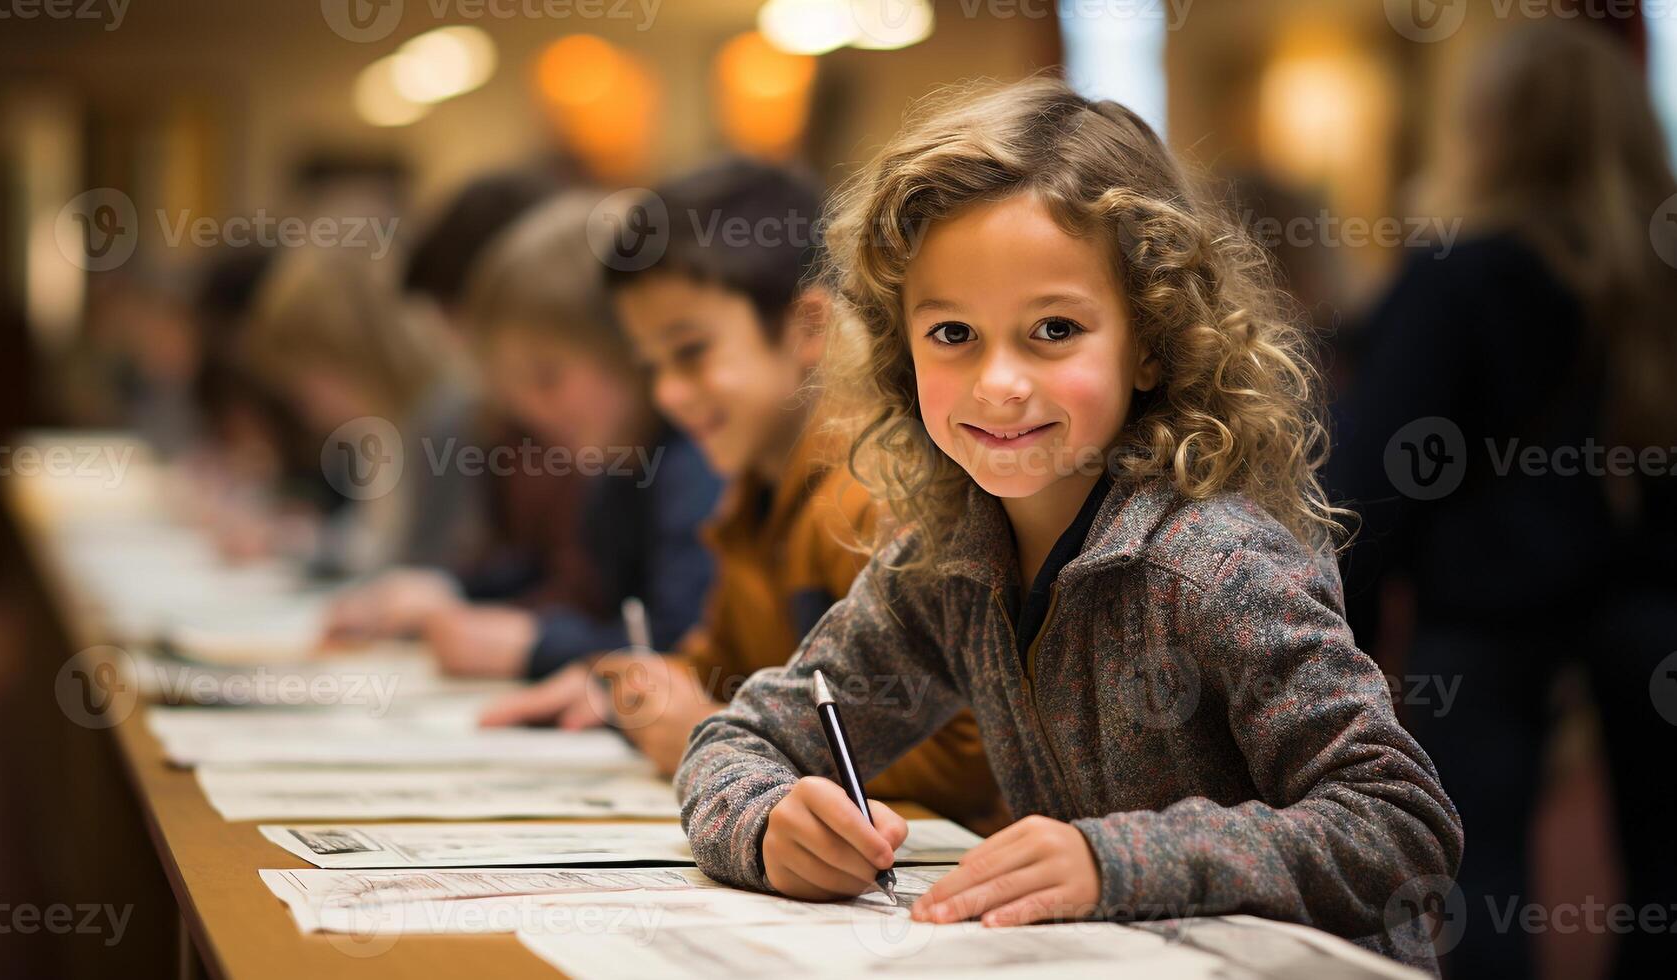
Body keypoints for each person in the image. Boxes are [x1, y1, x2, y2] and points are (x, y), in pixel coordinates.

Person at [673, 78, 1463, 971]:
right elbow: (739, 737)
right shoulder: (945, 566)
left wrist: (1113, 860)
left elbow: (1400, 825)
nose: (998, 382)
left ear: (1152, 340)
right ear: (901, 349)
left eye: (1053, 328)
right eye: (952, 334)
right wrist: (767, 823)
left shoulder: (1215, 564)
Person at [479, 159, 1004, 832]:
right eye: (651, 366)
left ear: (807, 328)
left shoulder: (867, 497)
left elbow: (968, 758)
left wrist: (710, 731)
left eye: (691, 352)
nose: (667, 393)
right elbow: (721, 665)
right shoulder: (751, 493)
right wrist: (616, 682)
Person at [1325, 24, 1677, 979]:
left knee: (1474, 880)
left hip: (1486, 622)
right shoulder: (1658, 278)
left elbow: (1383, 473)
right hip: (1652, 614)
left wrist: (1332, 627)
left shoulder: (1459, 275)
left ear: (1491, 130)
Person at [332, 191, 722, 678]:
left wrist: (534, 649)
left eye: (548, 377)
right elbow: (572, 585)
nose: (535, 412)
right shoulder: (618, 470)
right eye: (516, 390)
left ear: (630, 349)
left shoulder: (694, 463)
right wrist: (453, 593)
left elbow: (680, 642)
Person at [240, 242, 485, 576]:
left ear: (360, 351)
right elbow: (372, 542)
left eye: (312, 376)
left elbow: (425, 563)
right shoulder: (376, 429)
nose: (308, 404)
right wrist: (292, 541)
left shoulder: (446, 420)